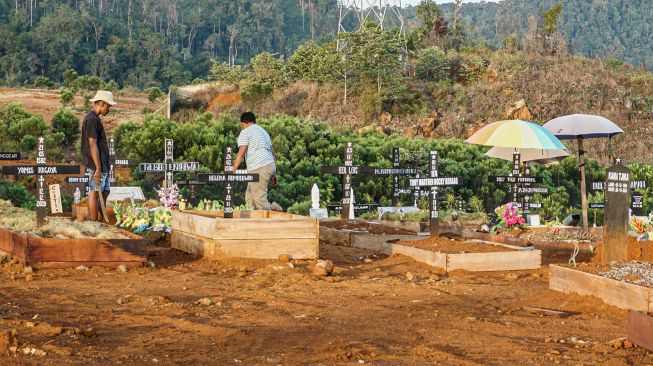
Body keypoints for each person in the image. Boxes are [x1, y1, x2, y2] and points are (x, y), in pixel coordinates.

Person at [81, 90, 116, 221]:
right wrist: (98, 168)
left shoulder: (96, 119)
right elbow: (92, 143)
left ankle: (102, 220)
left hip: (102, 162)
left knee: (105, 191)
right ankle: (94, 223)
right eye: (109, 106)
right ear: (102, 103)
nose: (109, 109)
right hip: (95, 163)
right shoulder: (91, 119)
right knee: (94, 192)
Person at [233, 112, 277, 210]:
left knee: (260, 199)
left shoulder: (246, 132)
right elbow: (272, 152)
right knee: (250, 198)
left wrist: (233, 168)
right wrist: (274, 173)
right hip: (269, 164)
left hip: (259, 167)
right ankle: (253, 221)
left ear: (244, 123)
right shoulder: (263, 131)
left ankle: (268, 224)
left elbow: (241, 153)